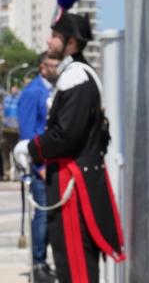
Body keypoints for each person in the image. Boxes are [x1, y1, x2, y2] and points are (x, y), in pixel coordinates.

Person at [14, 11, 124, 282]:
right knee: (67, 260)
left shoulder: (77, 77)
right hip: (68, 182)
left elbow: (66, 135)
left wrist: (31, 149)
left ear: (71, 42)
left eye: (54, 36)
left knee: (76, 266)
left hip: (74, 184)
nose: (48, 41)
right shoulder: (72, 75)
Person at [17, 52, 60, 282]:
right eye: (54, 64)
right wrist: (39, 165)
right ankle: (38, 262)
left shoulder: (52, 90)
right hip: (41, 167)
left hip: (54, 164)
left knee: (52, 215)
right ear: (43, 67)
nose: (57, 67)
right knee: (42, 216)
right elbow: (27, 133)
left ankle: (46, 261)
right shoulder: (33, 92)